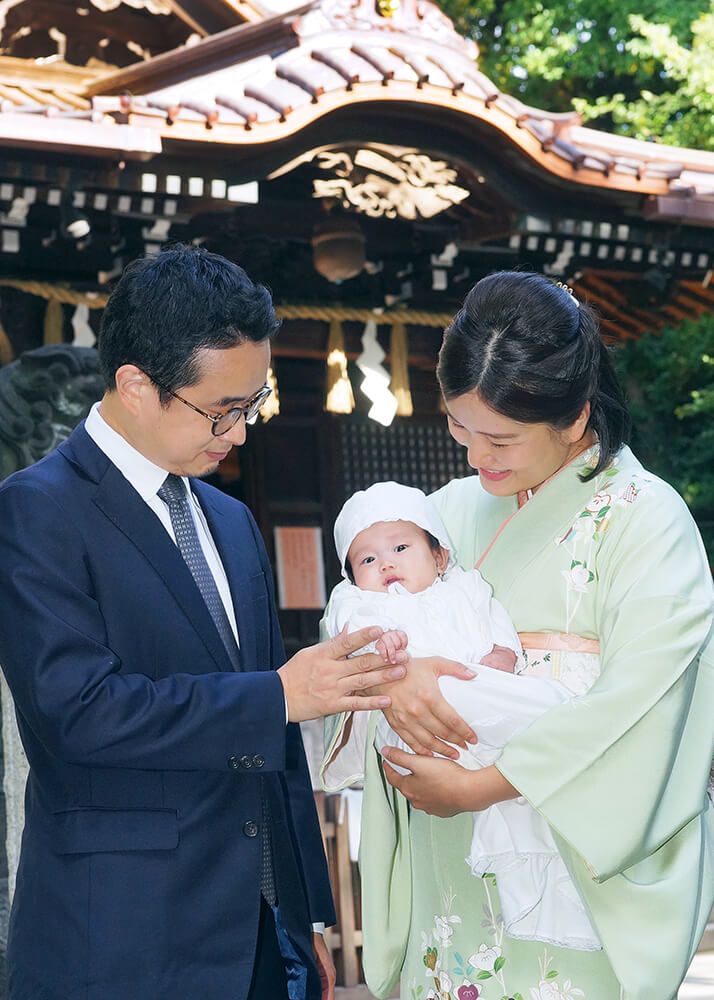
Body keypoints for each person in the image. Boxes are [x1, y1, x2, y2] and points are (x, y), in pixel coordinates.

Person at [0, 245, 422, 1000]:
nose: (240, 432)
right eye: (222, 410)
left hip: (261, 935)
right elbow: (77, 713)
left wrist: (307, 921)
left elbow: (280, 752)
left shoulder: (230, 521)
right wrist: (280, 697)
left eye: (250, 405)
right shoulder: (36, 508)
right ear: (135, 385)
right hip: (120, 939)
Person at [323, 272, 714, 1000]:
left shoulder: (645, 520)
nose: (476, 458)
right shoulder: (442, 515)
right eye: (460, 429)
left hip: (567, 858)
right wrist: (393, 668)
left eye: (499, 438)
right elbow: (348, 610)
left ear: (575, 418)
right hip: (451, 855)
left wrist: (479, 786)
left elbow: (647, 708)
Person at [323, 479, 600, 951]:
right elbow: (347, 637)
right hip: (419, 714)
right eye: (367, 559)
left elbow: (498, 633)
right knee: (519, 722)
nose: (385, 563)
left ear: (439, 556)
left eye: (401, 546)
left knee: (518, 800)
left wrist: (499, 657)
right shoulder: (359, 602)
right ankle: (565, 728)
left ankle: (543, 910)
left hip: (480, 696)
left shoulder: (467, 588)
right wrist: (380, 644)